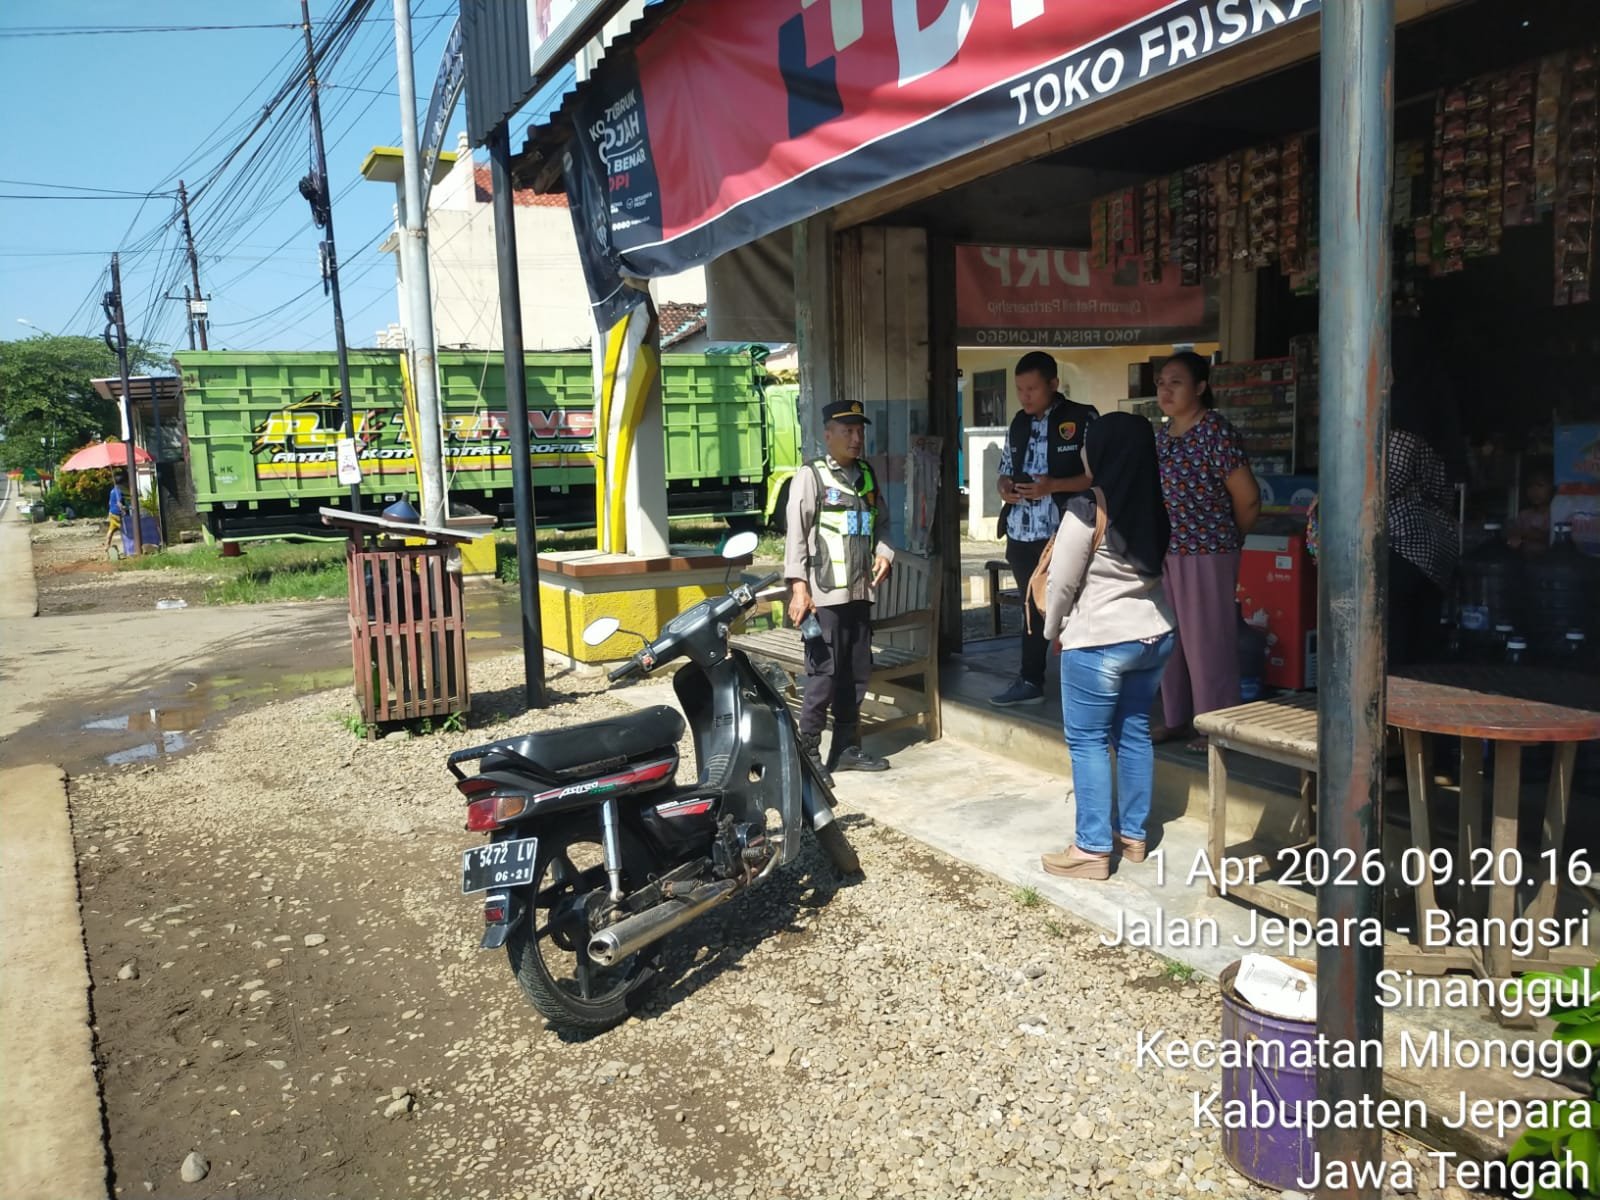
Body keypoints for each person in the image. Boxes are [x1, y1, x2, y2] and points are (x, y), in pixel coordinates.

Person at [1038, 413, 1176, 880]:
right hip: (1153, 635)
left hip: (1100, 639)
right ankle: (1133, 836)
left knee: (1088, 741)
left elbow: (1061, 583)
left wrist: (1053, 631)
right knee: (1134, 732)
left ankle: (1092, 848)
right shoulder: (1155, 503)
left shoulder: (1087, 507)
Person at [1154, 352, 1260, 750]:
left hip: (1207, 551)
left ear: (1200, 388)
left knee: (1208, 642)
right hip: (1168, 552)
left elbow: (1247, 500)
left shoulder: (1216, 432)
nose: (1165, 389)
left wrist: (1227, 542)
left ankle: (1218, 728)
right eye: (1162, 382)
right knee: (1170, 640)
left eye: (1176, 382)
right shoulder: (1163, 435)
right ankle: (1179, 718)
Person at [784, 399, 895, 778]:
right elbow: (796, 537)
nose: (856, 437)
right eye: (847, 430)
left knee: (856, 673)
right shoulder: (811, 476)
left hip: (860, 594)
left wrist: (885, 552)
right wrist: (799, 589)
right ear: (826, 434)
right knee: (823, 676)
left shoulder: (866, 474)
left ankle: (846, 749)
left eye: (860, 430)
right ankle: (809, 754)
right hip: (824, 596)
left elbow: (883, 523)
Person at [991, 351, 1099, 706]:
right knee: (1031, 607)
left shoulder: (1082, 418)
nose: (1025, 397)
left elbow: (1095, 477)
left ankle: (1087, 683)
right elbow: (1004, 470)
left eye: (1032, 389)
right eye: (1020, 389)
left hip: (1065, 532)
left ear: (1053, 384)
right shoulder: (1018, 423)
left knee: (1075, 606)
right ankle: (1030, 679)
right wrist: (1004, 488)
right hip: (1022, 533)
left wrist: (1052, 486)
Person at [1386, 326, 1461, 665]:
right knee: (1422, 641)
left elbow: (1388, 479)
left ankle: (1392, 713)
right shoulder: (1434, 411)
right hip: (1434, 547)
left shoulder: (1402, 416)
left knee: (1395, 643)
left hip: (1401, 545)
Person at [1507, 463, 1553, 554]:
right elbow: (1513, 534)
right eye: (1530, 486)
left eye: (1540, 485)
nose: (1534, 490)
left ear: (1552, 487)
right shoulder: (1524, 515)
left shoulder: (1556, 514)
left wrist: (1539, 535)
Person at [104, 473, 129, 553]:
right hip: (117, 514)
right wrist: (124, 510)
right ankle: (128, 547)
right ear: (123, 483)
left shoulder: (112, 490)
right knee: (126, 529)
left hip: (111, 512)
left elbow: (109, 502)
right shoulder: (118, 491)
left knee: (111, 530)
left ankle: (107, 546)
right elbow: (119, 503)